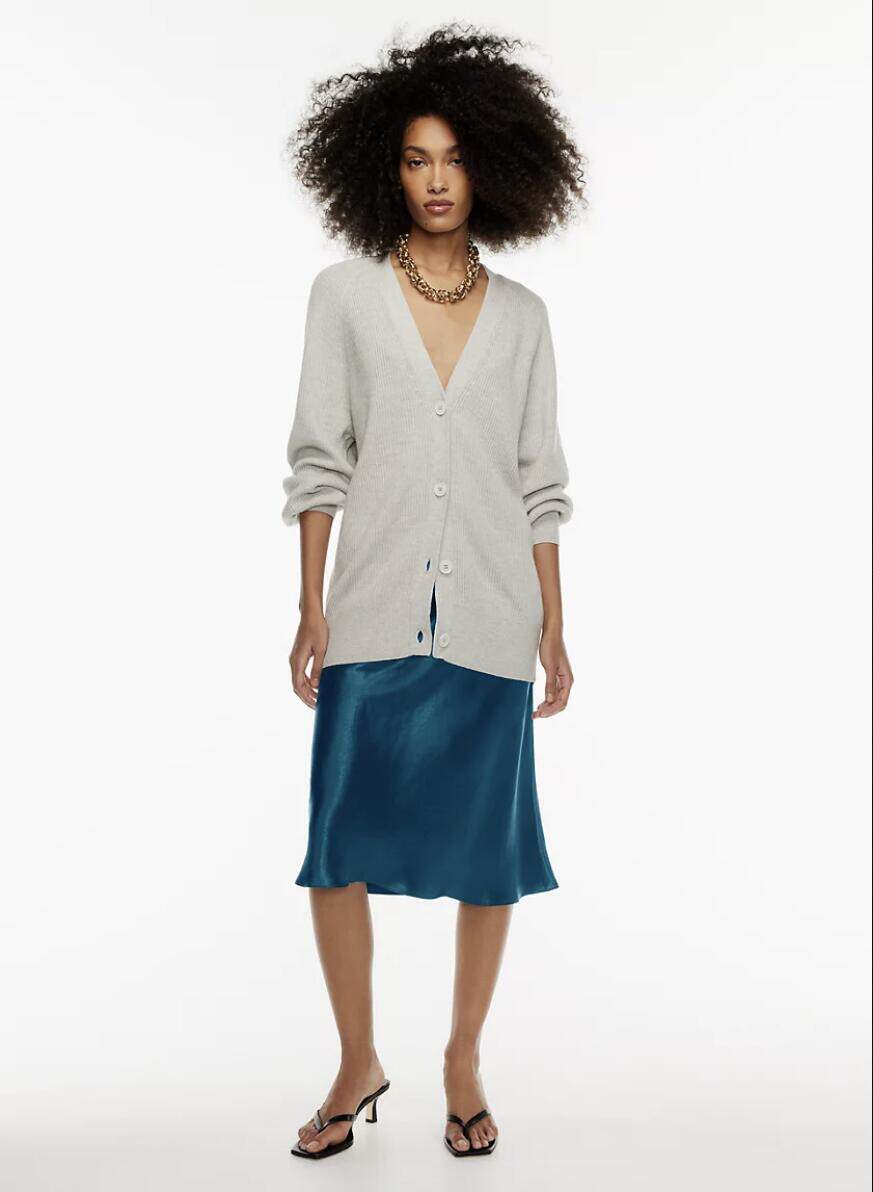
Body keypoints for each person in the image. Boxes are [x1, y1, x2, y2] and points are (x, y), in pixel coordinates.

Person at [281, 25, 586, 1160]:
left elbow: (540, 483)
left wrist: (556, 623)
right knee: (338, 847)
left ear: (492, 166)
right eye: (416, 159)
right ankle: (356, 1060)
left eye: (455, 157)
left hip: (496, 620)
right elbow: (320, 460)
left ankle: (462, 1060)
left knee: (487, 857)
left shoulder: (526, 318)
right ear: (386, 170)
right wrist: (311, 605)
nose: (438, 179)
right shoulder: (345, 297)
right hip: (371, 612)